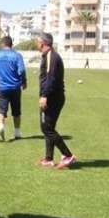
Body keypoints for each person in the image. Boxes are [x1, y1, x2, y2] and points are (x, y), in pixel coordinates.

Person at [37, 33, 76, 169]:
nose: (37, 44)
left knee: (46, 128)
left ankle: (67, 155)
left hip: (53, 98)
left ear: (43, 43)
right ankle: (49, 158)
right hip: (52, 97)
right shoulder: (49, 55)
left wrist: (44, 95)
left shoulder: (51, 57)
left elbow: (51, 78)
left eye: (38, 41)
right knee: (48, 128)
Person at [0, 36, 27, 142]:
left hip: (1, 87)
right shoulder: (17, 55)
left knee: (1, 110)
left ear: (2, 44)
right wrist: (24, 82)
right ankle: (17, 133)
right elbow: (21, 70)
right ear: (11, 44)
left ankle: (1, 126)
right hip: (15, 87)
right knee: (16, 111)